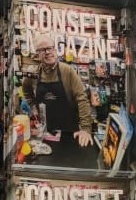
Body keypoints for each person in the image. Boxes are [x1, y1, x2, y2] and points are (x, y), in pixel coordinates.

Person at [22, 32, 95, 166]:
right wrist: (33, 106)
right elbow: (26, 90)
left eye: (50, 48)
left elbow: (82, 98)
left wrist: (85, 129)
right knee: (45, 165)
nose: (48, 52)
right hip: (46, 132)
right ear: (37, 54)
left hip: (70, 131)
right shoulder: (33, 74)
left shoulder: (67, 71)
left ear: (55, 49)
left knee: (71, 165)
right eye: (43, 50)